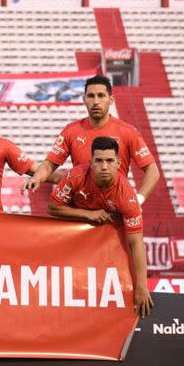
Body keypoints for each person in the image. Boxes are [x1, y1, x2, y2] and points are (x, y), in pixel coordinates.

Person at [47, 136, 153, 318]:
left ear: (118, 163)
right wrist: (88, 214)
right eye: (99, 161)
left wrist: (142, 286)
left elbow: (136, 243)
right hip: (72, 238)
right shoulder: (75, 176)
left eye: (110, 161)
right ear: (91, 162)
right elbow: (52, 207)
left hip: (101, 246)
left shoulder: (127, 197)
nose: (104, 166)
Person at [24, 75, 159, 206]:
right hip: (81, 209)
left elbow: (152, 170)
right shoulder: (71, 130)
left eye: (101, 96)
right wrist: (37, 178)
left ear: (111, 99)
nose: (95, 101)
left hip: (115, 209)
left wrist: (139, 199)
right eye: (91, 96)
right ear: (84, 99)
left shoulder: (128, 132)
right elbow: (49, 165)